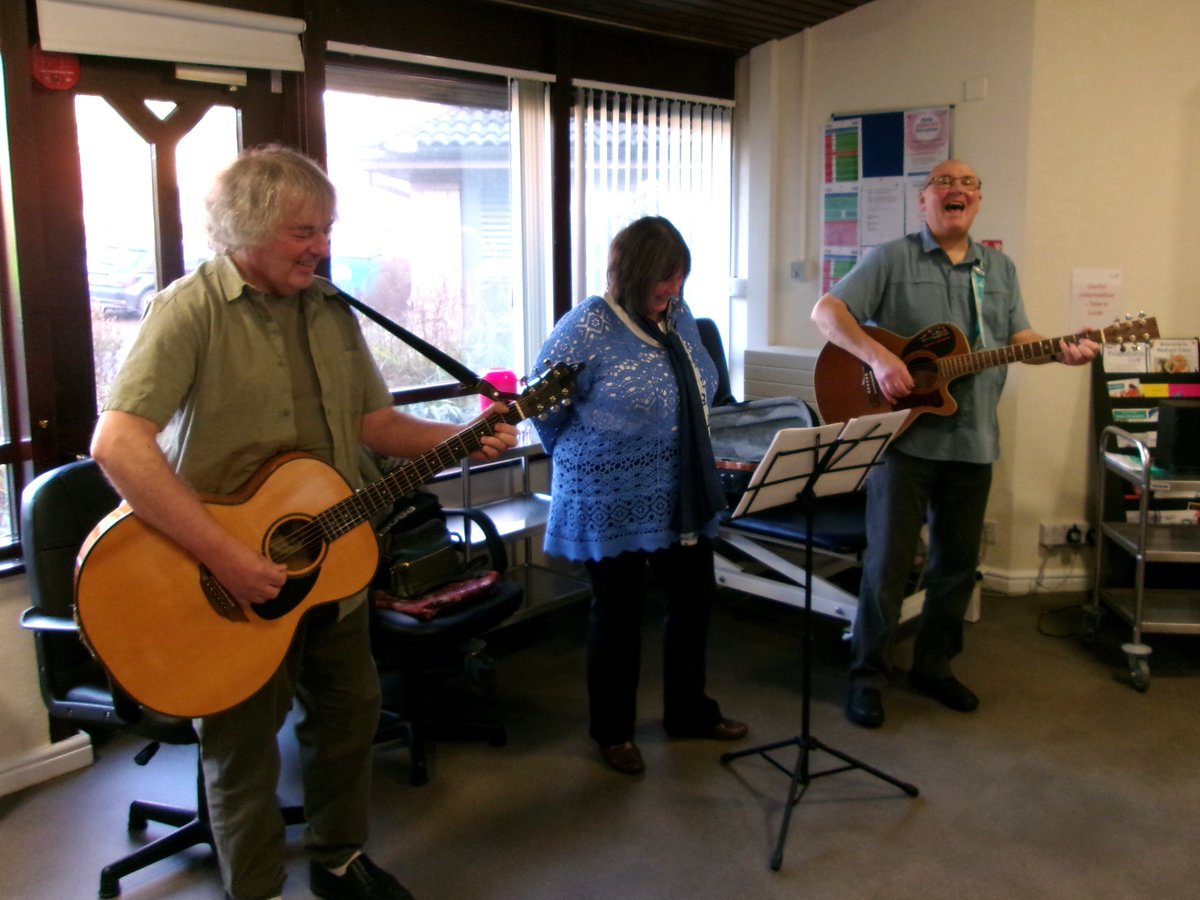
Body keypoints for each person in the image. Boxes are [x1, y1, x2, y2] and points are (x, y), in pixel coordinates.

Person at [89, 145, 517, 900]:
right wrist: (227, 557)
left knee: (349, 719)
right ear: (246, 230)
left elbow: (374, 424)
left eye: (326, 228)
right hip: (224, 584)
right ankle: (252, 891)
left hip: (335, 568)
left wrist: (460, 439)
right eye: (303, 231)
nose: (323, 247)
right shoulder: (189, 312)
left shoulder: (331, 311)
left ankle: (339, 860)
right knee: (243, 755)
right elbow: (117, 442)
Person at [810, 159, 1097, 729]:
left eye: (968, 183)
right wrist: (879, 356)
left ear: (978, 202)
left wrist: (1061, 350)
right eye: (944, 182)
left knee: (956, 567)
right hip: (905, 444)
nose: (957, 190)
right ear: (923, 202)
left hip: (974, 442)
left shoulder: (1000, 269)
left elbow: (1019, 340)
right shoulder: (892, 259)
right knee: (888, 567)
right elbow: (826, 311)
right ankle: (867, 675)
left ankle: (933, 667)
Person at [532, 215, 748, 776]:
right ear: (631, 273)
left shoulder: (679, 320)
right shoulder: (587, 326)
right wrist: (598, 457)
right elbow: (545, 411)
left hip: (681, 490)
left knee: (694, 599)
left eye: (678, 277)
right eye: (662, 278)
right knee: (619, 615)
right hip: (611, 494)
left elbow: (707, 386)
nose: (672, 289)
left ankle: (689, 711)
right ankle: (612, 732)